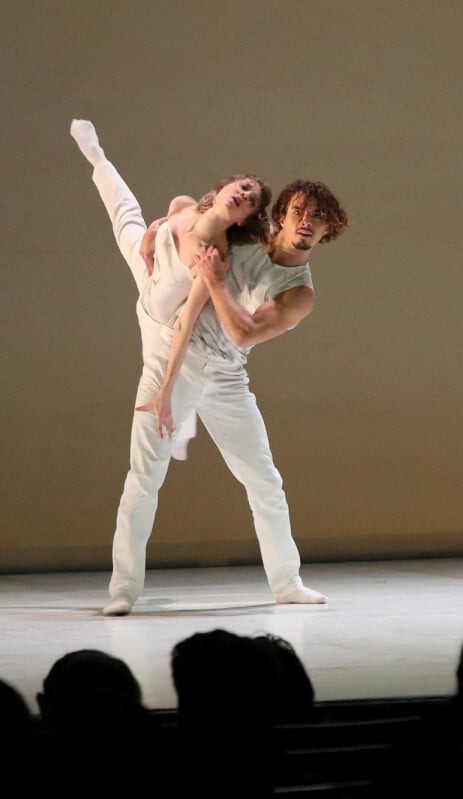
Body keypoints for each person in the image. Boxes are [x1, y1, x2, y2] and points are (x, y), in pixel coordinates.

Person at [71, 119, 348, 616]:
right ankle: (124, 589)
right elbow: (188, 208)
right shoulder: (244, 235)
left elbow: (242, 333)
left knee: (263, 478)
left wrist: (215, 281)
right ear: (281, 216)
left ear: (329, 230)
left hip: (225, 375)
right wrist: (160, 232)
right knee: (145, 474)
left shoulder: (299, 293)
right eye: (298, 211)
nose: (307, 220)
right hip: (168, 339)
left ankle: (287, 583)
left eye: (318, 216)